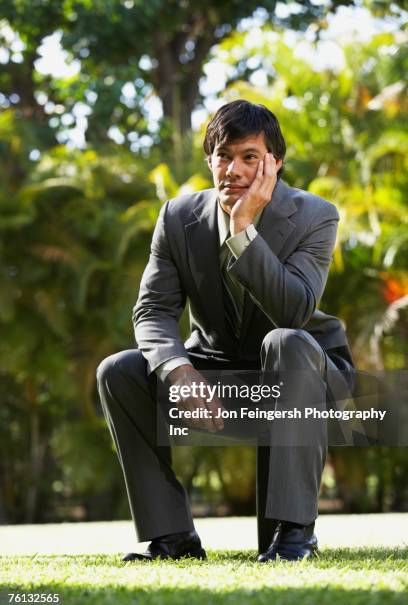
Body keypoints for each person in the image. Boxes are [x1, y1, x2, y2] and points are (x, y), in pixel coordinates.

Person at [96, 99, 354, 562]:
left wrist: (242, 229)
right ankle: (173, 538)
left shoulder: (316, 216)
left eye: (249, 157)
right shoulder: (178, 217)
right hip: (219, 380)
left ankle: (294, 536)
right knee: (120, 370)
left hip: (305, 380)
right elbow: (152, 310)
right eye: (223, 156)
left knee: (286, 341)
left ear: (274, 163)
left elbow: (293, 311)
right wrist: (178, 371)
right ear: (209, 160)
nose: (233, 169)